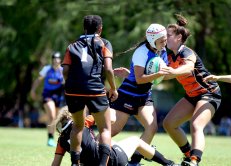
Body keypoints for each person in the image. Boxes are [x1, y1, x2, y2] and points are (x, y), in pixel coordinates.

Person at [162, 14, 222, 166]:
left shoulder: (187, 52)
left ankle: (195, 161)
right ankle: (189, 154)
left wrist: (171, 72)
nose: (165, 39)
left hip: (209, 93)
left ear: (179, 37)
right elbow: (162, 77)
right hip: (192, 95)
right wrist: (136, 75)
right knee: (169, 123)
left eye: (168, 35)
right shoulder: (169, 56)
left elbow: (188, 68)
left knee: (196, 125)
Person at [62, 15, 118, 166]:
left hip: (73, 90)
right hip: (95, 89)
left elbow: (65, 70)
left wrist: (70, 84)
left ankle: (75, 163)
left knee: (78, 126)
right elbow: (108, 69)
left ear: (84, 28)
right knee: (105, 128)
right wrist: (113, 88)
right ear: (100, 28)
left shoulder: (72, 45)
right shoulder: (105, 43)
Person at [110, 23, 168, 165]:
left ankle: (134, 162)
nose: (165, 42)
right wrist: (158, 74)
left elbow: (157, 77)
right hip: (128, 94)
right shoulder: (141, 52)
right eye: (162, 40)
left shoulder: (162, 51)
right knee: (114, 130)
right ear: (152, 40)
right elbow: (139, 79)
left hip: (144, 95)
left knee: (152, 127)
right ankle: (90, 151)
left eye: (166, 39)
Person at [51, 109, 178, 166]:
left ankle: (138, 156)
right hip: (113, 160)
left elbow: (55, 164)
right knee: (136, 141)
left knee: (108, 140)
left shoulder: (61, 141)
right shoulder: (83, 122)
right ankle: (169, 164)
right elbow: (111, 118)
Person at [30, 51, 64, 147]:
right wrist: (33, 90)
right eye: (54, 58)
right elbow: (38, 80)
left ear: (60, 60)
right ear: (52, 60)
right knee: (52, 115)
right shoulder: (47, 69)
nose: (55, 60)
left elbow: (67, 82)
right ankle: (50, 138)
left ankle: (55, 137)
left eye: (57, 58)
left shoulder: (62, 70)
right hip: (47, 95)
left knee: (56, 118)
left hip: (58, 96)